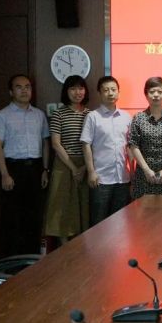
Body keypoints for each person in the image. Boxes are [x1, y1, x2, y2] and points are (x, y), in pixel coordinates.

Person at [0, 75, 50, 254]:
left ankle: (32, 260)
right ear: (11, 91)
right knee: (13, 218)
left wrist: (45, 169)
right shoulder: (2, 116)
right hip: (13, 169)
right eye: (19, 87)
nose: (24, 90)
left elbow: (45, 143)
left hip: (36, 169)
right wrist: (4, 174)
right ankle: (13, 262)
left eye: (27, 87)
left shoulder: (39, 115)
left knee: (34, 216)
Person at [44, 75, 90, 245]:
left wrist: (84, 167)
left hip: (86, 164)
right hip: (64, 164)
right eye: (73, 88)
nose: (77, 92)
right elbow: (56, 144)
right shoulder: (59, 114)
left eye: (81, 88)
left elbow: (95, 144)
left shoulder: (91, 114)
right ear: (66, 91)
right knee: (62, 205)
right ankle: (65, 247)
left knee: (83, 205)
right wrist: (73, 168)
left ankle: (83, 247)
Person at [80, 76, 132, 226]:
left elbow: (130, 147)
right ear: (100, 93)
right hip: (100, 179)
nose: (110, 93)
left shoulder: (126, 117)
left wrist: (133, 173)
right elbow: (86, 145)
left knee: (121, 222)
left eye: (113, 90)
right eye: (106, 90)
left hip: (122, 178)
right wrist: (91, 172)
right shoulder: (93, 117)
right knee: (99, 222)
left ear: (119, 92)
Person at [129, 77, 162, 198]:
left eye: (160, 92)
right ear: (146, 95)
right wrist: (146, 170)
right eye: (152, 92)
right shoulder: (138, 118)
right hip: (144, 173)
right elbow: (133, 144)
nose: (156, 95)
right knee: (144, 208)